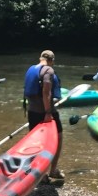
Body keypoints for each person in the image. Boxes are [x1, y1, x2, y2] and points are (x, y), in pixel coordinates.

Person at [23, 50, 64, 180]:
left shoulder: (31, 69)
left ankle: (40, 173)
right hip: (45, 112)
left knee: (37, 143)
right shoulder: (48, 71)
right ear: (52, 60)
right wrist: (48, 112)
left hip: (32, 112)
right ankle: (52, 170)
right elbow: (46, 92)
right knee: (58, 138)